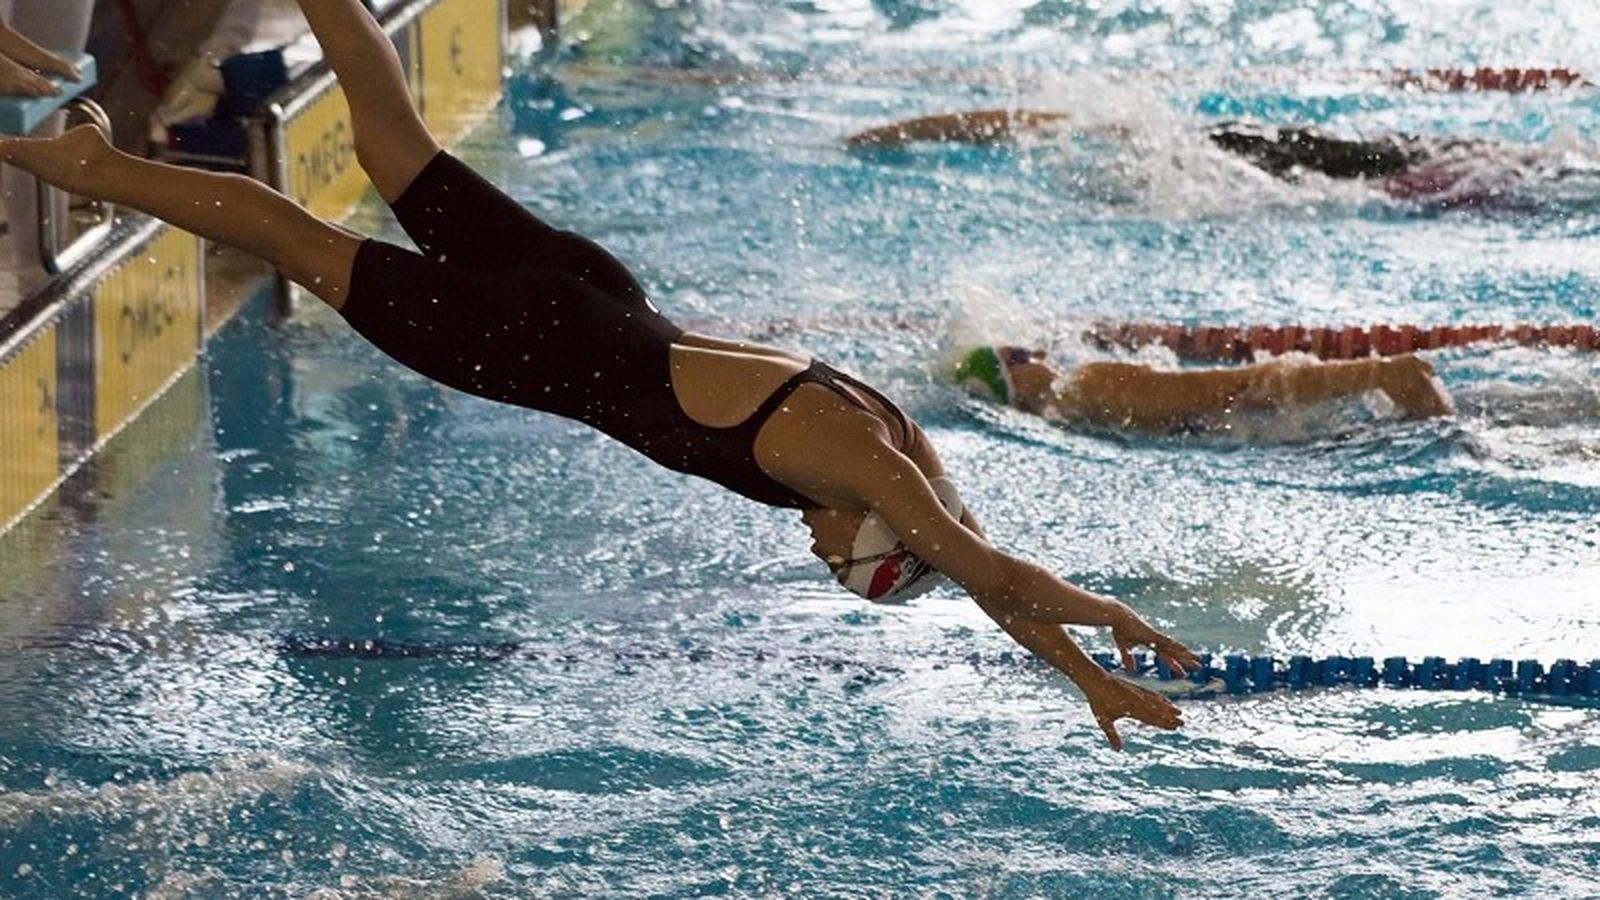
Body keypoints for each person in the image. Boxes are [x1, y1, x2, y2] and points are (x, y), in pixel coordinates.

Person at [0, 0, 1199, 750]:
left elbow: (975, 563)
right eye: (844, 567)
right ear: (870, 536)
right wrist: (1099, 657)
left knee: (392, 136)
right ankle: (81, 166)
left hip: (588, 288)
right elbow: (989, 574)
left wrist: (1098, 647)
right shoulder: (843, 461)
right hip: (534, 343)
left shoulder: (864, 422)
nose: (815, 556)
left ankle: (127, 136)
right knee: (287, 235)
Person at [846, 110, 1550, 202]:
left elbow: (1012, 121)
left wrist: (909, 131)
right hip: (1383, 161)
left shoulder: (1181, 152)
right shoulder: (1180, 150)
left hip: (1377, 167)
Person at [953, 345, 1454, 434]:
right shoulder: (1084, 387)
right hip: (1266, 405)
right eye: (1020, 356)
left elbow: (1223, 390)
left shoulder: (1082, 389)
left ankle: (1387, 372)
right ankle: (1386, 372)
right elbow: (1219, 389)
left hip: (1264, 408)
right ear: (1010, 383)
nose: (1039, 354)